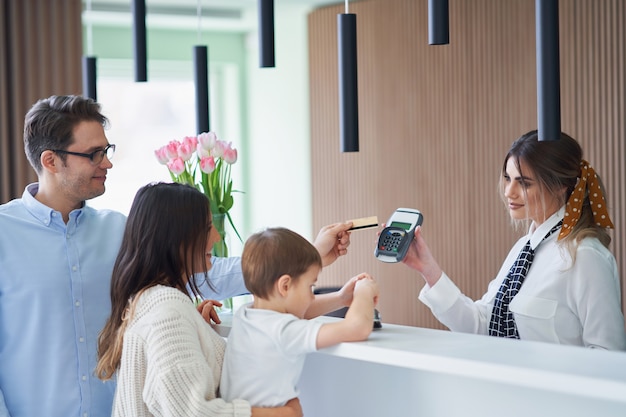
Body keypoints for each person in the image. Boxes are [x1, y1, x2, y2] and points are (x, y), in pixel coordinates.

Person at [0, 95, 354, 417]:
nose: (107, 162)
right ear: (51, 160)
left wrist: (308, 259)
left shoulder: (119, 230)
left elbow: (200, 272)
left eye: (107, 150)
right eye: (93, 153)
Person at [402, 130, 626, 350]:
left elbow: (609, 354)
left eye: (524, 183)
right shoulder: (523, 250)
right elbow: (483, 326)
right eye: (508, 178)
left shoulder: (585, 257)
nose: (509, 191)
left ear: (560, 186)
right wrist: (428, 270)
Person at [96, 182, 306, 416]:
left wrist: (196, 329)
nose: (216, 237)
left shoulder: (151, 302)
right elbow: (193, 411)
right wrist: (282, 414)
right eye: (207, 229)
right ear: (175, 239)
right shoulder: (168, 310)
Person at [220, 227, 379, 407]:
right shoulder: (284, 331)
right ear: (285, 286)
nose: (312, 296)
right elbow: (357, 328)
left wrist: (341, 298)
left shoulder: (246, 314)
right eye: (310, 287)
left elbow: (300, 311)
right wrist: (364, 292)